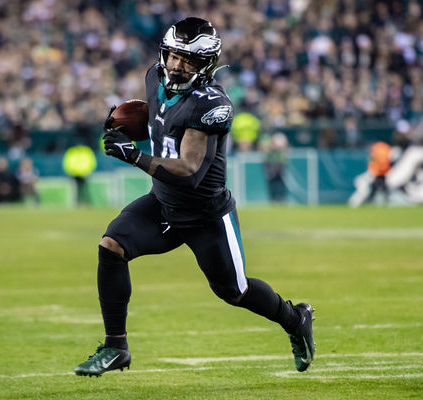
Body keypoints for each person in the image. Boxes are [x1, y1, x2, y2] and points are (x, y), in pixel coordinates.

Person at [74, 18, 315, 377]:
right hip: (163, 203)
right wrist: (129, 122)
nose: (176, 65)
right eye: (172, 56)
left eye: (188, 60)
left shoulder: (212, 104)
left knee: (235, 291)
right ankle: (115, 346)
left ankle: (295, 318)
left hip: (205, 215)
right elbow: (158, 116)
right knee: (112, 246)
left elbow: (189, 172)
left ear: (207, 65)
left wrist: (135, 155)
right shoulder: (153, 78)